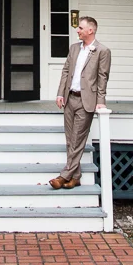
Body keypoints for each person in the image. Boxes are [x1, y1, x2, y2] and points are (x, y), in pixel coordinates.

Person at [51, 15, 110, 190]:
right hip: (70, 98)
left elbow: (103, 77)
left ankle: (64, 176)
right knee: (70, 139)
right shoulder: (74, 48)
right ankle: (75, 177)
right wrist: (60, 93)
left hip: (87, 101)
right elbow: (66, 71)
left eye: (81, 28)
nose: (77, 30)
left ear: (90, 30)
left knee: (77, 139)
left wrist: (101, 101)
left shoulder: (102, 51)